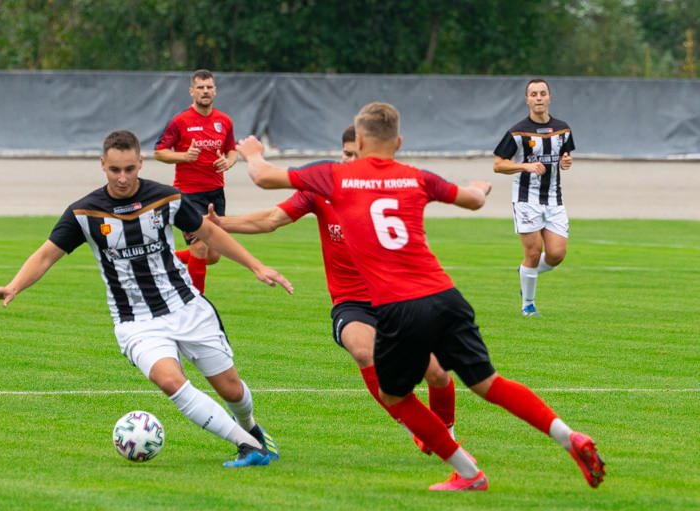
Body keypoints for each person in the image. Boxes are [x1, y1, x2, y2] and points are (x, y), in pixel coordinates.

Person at [236, 102, 605, 491]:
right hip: (446, 295)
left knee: (394, 395)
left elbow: (262, 177)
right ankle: (570, 436)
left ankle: (469, 473)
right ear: (398, 142)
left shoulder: (335, 177)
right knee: (489, 383)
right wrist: (480, 188)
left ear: (358, 141)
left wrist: (252, 153)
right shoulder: (415, 176)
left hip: (399, 305)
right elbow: (473, 199)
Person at [0, 130, 290, 467]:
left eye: (130, 168)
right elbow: (45, 255)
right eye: (115, 170)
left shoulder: (166, 198)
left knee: (231, 390)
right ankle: (249, 446)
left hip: (186, 307)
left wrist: (256, 266)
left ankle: (252, 429)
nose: (123, 177)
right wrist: (14, 286)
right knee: (170, 380)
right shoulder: (84, 212)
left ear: (141, 162)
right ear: (103, 165)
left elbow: (210, 232)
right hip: (136, 321)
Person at [208, 125, 458, 455]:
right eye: (346, 153)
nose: (349, 160)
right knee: (362, 349)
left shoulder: (387, 189)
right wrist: (221, 223)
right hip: (351, 301)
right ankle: (420, 426)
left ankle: (445, 433)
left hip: (395, 297)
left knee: (437, 373)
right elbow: (271, 219)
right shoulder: (323, 189)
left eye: (357, 154)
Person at [493, 78, 575, 317]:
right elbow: (498, 165)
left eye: (542, 93)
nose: (538, 98)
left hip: (554, 199)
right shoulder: (517, 131)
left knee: (557, 254)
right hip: (526, 198)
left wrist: (566, 162)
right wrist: (525, 167)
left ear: (549, 97)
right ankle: (528, 305)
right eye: (534, 94)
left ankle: (525, 273)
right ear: (527, 99)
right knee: (532, 252)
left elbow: (565, 157)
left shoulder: (563, 129)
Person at [154, 69, 237, 294]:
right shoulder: (180, 121)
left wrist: (229, 163)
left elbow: (232, 151)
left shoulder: (224, 121)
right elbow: (159, 152)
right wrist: (183, 156)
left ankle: (161, 260)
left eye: (209, 87)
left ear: (215, 91)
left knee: (214, 255)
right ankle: (196, 302)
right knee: (199, 246)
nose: (205, 91)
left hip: (216, 193)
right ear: (192, 91)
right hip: (188, 194)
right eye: (200, 87)